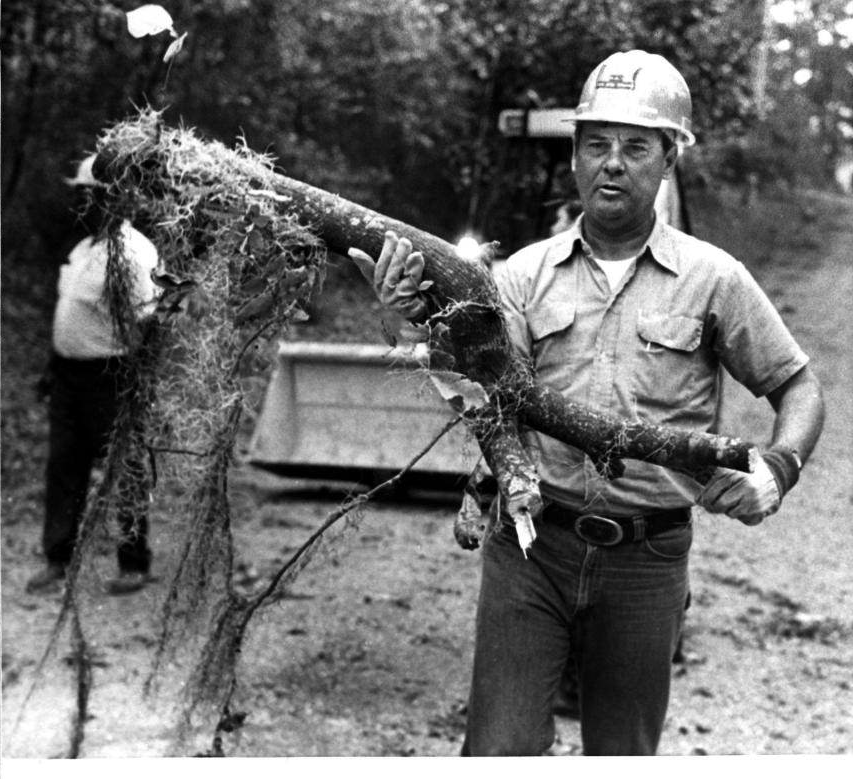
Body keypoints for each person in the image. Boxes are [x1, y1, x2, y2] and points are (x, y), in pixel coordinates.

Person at [349, 50, 825, 755]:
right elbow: (480, 395)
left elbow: (799, 387)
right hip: (533, 547)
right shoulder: (522, 275)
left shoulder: (714, 279)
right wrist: (412, 321)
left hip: (648, 557)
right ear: (574, 156)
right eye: (596, 143)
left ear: (669, 159)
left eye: (636, 146)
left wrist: (776, 469)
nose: (613, 162)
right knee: (498, 750)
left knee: (621, 754)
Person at [26, 155, 161, 596]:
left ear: (112, 197)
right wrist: (52, 367)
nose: (83, 203)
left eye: (90, 195)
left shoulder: (135, 253)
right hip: (69, 377)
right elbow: (70, 316)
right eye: (81, 195)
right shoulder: (83, 249)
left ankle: (133, 562)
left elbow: (147, 323)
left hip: (111, 376)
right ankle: (57, 558)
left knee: (126, 469)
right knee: (64, 467)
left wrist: (137, 382)